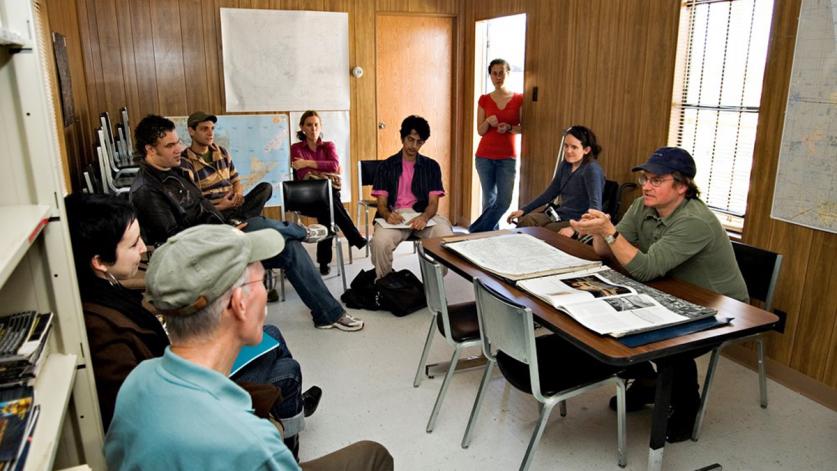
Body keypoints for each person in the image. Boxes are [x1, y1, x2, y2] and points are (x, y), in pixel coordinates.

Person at [104, 224, 394, 470]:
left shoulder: (138, 381)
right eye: (261, 280)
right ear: (239, 304)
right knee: (374, 455)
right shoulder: (250, 441)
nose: (265, 293)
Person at [64, 193, 320, 455]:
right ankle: (289, 440)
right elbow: (148, 415)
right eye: (132, 245)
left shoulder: (104, 290)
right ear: (99, 261)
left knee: (273, 334)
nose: (143, 248)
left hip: (176, 377)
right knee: (288, 371)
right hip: (179, 392)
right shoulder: (101, 329)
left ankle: (291, 412)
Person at [571, 147, 748, 443]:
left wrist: (611, 233)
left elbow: (645, 269)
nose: (646, 186)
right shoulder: (643, 205)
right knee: (605, 321)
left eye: (656, 180)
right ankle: (647, 380)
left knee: (667, 344)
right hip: (671, 288)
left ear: (681, 186)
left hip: (719, 305)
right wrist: (601, 231)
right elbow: (605, 252)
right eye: (645, 178)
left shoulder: (695, 221)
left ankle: (686, 408)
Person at [129, 114, 363, 331]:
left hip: (219, 228)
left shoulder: (174, 170)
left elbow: (201, 205)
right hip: (205, 250)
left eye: (178, 142)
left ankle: (328, 314)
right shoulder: (147, 190)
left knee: (287, 246)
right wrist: (225, 231)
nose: (179, 148)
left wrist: (227, 220)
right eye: (170, 145)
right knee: (266, 230)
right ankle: (300, 231)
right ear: (150, 149)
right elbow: (175, 241)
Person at [370, 115, 454, 279]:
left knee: (446, 238)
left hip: (423, 215)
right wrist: (388, 215)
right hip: (396, 214)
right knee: (380, 243)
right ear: (402, 138)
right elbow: (381, 205)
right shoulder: (385, 166)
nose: (413, 146)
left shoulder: (431, 167)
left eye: (419, 142)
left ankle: (433, 285)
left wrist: (424, 217)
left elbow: (433, 204)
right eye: (410, 139)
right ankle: (385, 284)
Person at [291, 110, 367, 275]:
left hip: (326, 197)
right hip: (306, 198)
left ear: (321, 126)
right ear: (302, 128)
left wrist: (307, 163)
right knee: (330, 204)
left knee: (328, 210)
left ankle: (325, 261)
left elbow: (334, 165)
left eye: (316, 124)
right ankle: (353, 237)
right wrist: (322, 171)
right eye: (309, 125)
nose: (313, 128)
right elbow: (304, 175)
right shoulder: (296, 148)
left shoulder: (328, 145)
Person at [507, 125, 604, 238]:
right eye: (566, 146)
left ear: (586, 150)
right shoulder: (565, 165)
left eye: (574, 147)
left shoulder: (592, 170)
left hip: (577, 220)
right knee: (527, 220)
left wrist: (575, 228)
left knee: (547, 231)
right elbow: (549, 193)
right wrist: (523, 210)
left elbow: (595, 210)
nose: (568, 151)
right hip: (560, 214)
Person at [180, 111, 273, 221]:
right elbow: (193, 203)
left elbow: (236, 181)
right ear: (191, 131)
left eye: (212, 128)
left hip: (234, 206)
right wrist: (221, 206)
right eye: (204, 129)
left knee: (266, 188)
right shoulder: (184, 161)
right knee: (210, 215)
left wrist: (237, 195)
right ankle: (239, 220)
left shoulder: (222, 152)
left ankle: (238, 220)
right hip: (215, 211)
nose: (210, 133)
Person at [468, 58, 524, 233]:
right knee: (488, 200)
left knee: (504, 200)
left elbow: (523, 128)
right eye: (494, 73)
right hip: (484, 157)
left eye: (502, 73)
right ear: (490, 76)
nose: (498, 77)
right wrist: (487, 122)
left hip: (507, 157)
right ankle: (488, 237)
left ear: (508, 74)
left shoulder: (519, 99)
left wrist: (509, 127)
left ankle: (475, 230)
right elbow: (480, 130)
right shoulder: (484, 99)